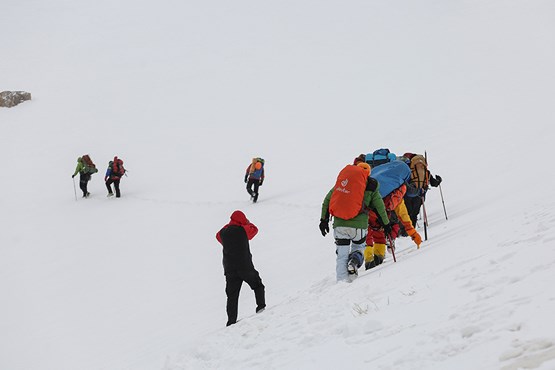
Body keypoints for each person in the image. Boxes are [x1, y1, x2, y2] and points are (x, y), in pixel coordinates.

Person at [320, 162, 390, 282]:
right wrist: (386, 224)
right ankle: (354, 262)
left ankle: (342, 282)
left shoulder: (343, 183)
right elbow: (380, 207)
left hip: (340, 225)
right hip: (359, 227)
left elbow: (327, 200)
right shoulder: (371, 186)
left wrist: (323, 220)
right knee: (358, 247)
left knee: (342, 256)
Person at [365, 160, 421, 269]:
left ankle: (369, 259)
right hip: (380, 212)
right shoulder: (400, 187)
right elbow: (401, 212)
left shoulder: (374, 177)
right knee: (379, 231)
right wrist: (412, 232)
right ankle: (375, 260)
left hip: (364, 209)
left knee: (371, 233)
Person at [216, 210, 266, 326]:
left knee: (232, 296)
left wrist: (229, 225)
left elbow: (218, 236)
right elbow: (254, 229)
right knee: (257, 284)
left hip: (229, 269)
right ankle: (261, 307)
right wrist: (246, 222)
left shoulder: (223, 232)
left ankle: (231, 321)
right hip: (244, 266)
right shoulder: (243, 230)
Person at [399, 153, 443, 227]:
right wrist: (439, 180)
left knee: (406, 213)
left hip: (407, 195)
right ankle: (412, 230)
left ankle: (405, 232)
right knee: (414, 214)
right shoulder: (426, 172)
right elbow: (434, 183)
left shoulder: (407, 171)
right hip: (420, 195)